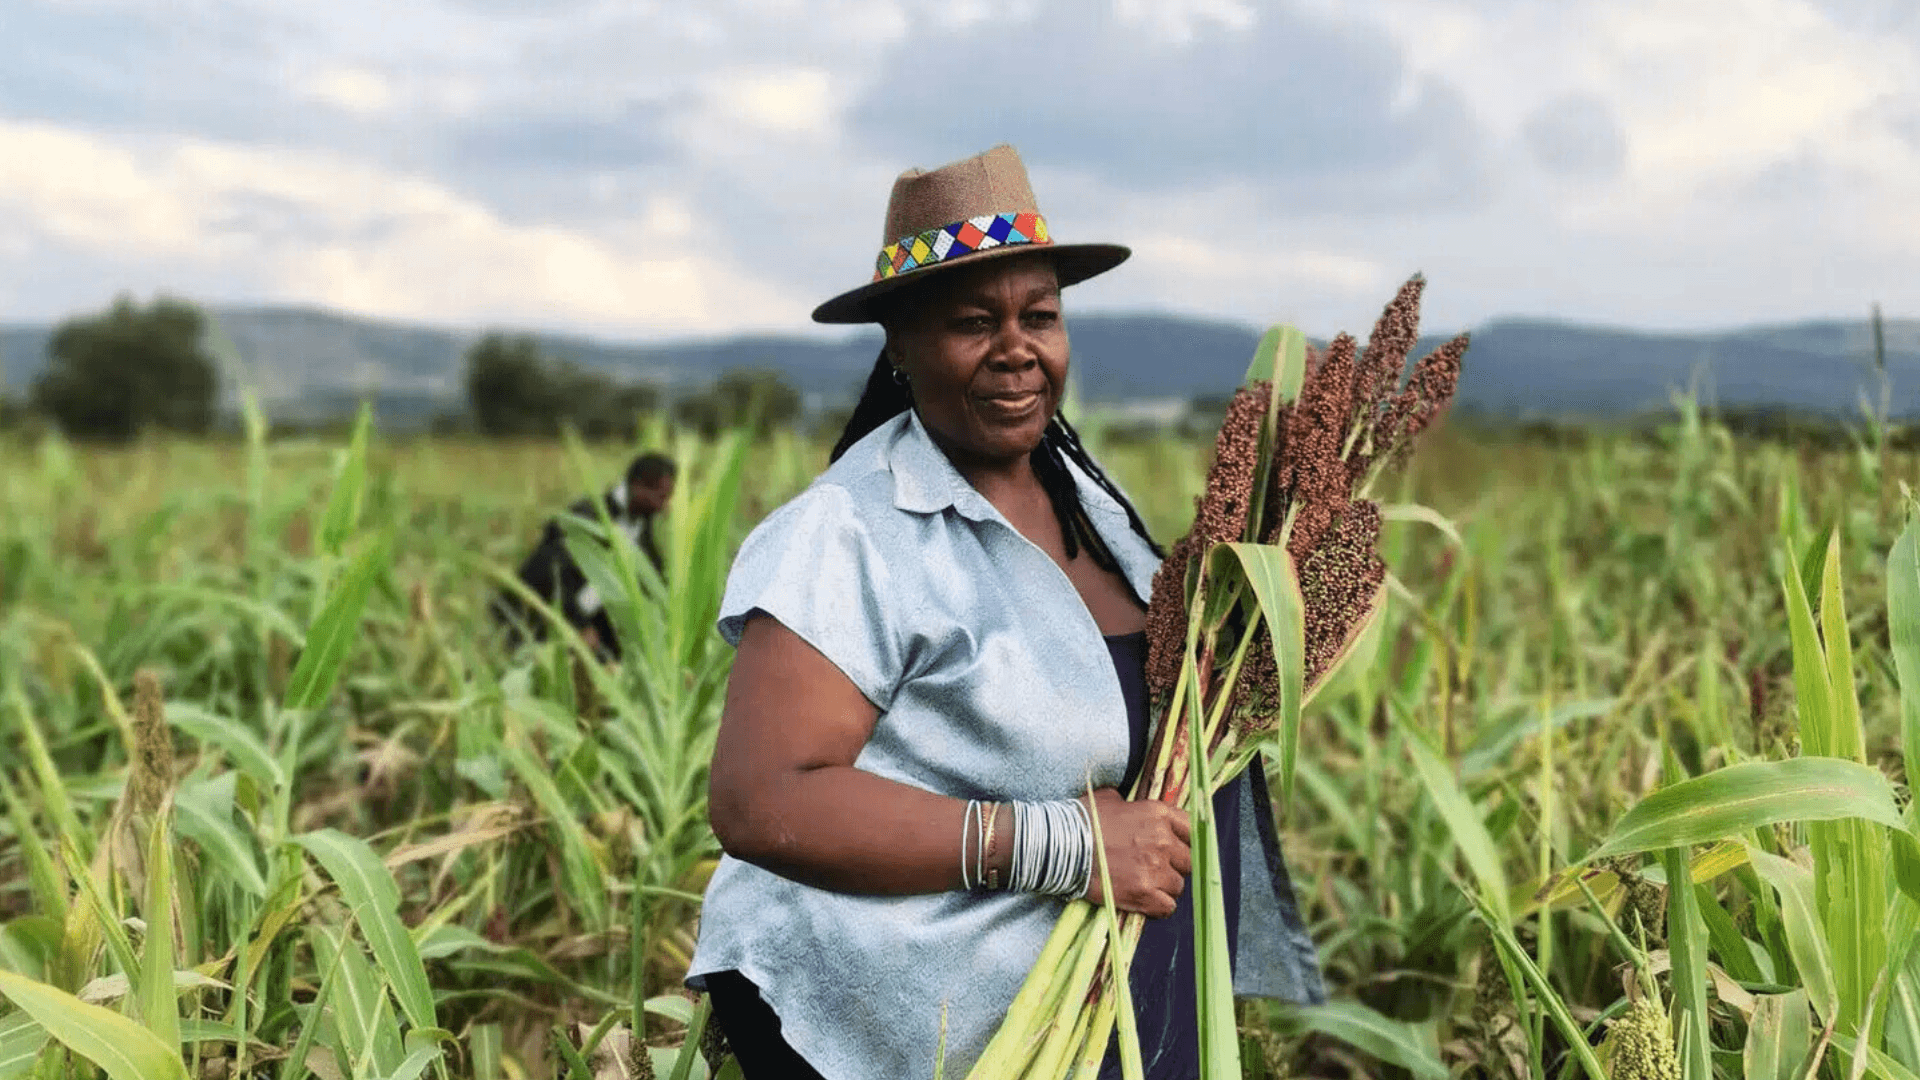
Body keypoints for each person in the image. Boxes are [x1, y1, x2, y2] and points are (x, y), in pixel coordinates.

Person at [689, 145, 1324, 1080]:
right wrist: (1068, 845)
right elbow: (760, 801)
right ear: (900, 345)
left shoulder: (1089, 506)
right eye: (972, 322)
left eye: (1040, 316)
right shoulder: (847, 532)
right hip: (900, 1025)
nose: (1016, 347)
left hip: (1088, 995)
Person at [493, 451, 676, 659]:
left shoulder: (642, 524)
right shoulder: (585, 516)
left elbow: (652, 577)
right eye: (662, 497)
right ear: (638, 487)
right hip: (535, 619)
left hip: (590, 623)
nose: (666, 507)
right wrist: (579, 625)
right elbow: (551, 575)